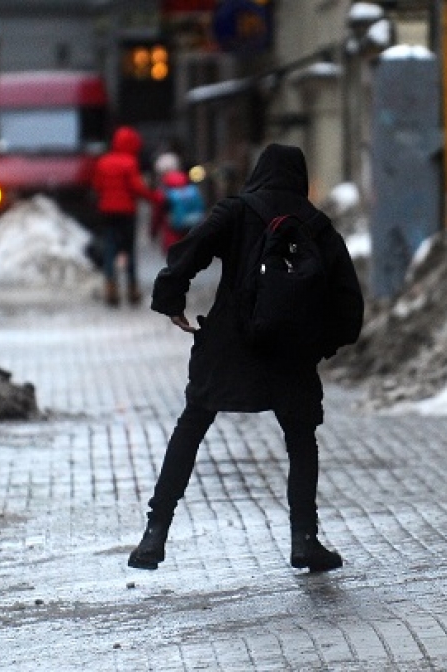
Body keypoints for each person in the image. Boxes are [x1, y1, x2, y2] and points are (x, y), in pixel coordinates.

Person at [127, 144, 364, 573]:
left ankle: (154, 533)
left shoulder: (236, 212)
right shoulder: (316, 226)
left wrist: (171, 299)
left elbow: (188, 251)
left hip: (228, 347)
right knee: (301, 441)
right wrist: (319, 344)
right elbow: (348, 303)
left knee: (192, 425)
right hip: (289, 356)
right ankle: (305, 539)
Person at [91, 126, 161, 307]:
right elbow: (137, 188)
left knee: (110, 248)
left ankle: (110, 287)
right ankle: (132, 289)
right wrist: (154, 198)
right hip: (126, 213)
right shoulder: (130, 162)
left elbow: (97, 186)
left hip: (107, 212)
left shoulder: (103, 162)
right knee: (129, 250)